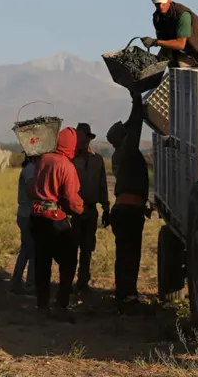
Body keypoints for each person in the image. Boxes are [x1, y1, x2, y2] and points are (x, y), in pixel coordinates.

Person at [29, 127, 85, 322]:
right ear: (72, 145)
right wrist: (80, 209)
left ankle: (41, 305)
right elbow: (71, 199)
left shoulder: (43, 159)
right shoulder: (66, 166)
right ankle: (61, 304)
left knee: (42, 262)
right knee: (69, 262)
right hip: (55, 218)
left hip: (36, 217)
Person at [106, 91, 151, 314]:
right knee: (130, 254)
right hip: (129, 212)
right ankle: (127, 295)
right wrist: (137, 102)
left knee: (124, 253)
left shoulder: (120, 155)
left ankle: (123, 293)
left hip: (124, 210)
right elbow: (136, 127)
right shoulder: (128, 151)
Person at [71, 123, 110, 293]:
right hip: (72, 210)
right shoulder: (70, 159)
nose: (82, 140)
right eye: (79, 136)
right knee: (71, 247)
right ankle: (68, 281)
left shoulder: (97, 160)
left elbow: (102, 186)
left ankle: (83, 281)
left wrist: (106, 208)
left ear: (89, 138)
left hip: (91, 209)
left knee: (87, 248)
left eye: (85, 136)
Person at [9, 153, 37, 295]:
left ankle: (18, 282)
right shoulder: (31, 169)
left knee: (28, 250)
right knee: (30, 251)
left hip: (27, 214)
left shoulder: (31, 168)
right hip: (28, 215)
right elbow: (33, 191)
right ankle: (28, 284)